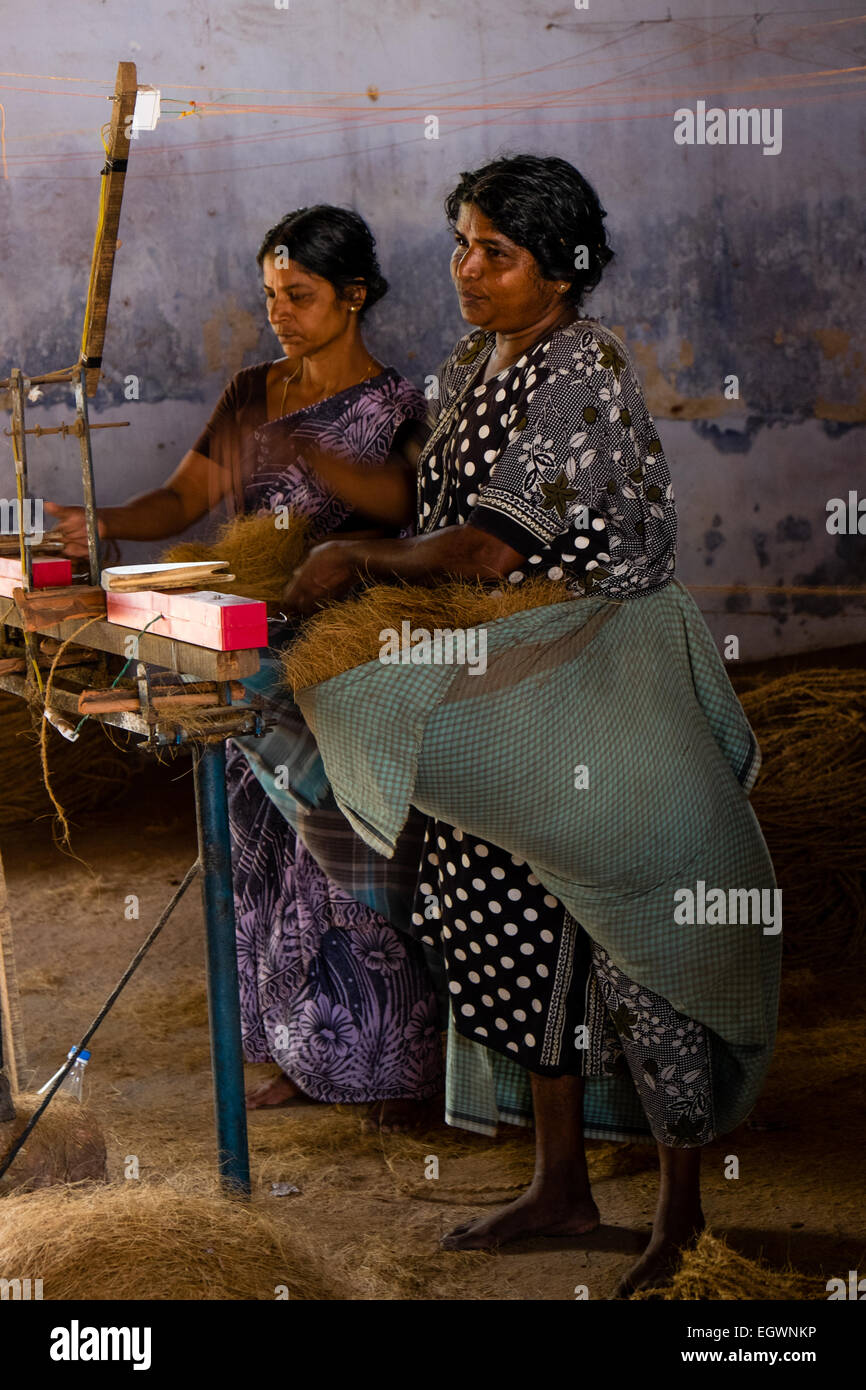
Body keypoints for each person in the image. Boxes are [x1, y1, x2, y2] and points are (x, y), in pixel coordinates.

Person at [280, 156, 779, 1292]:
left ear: (561, 269)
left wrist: (354, 558)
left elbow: (485, 548)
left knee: (638, 929)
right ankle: (559, 1183)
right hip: (502, 685)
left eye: (494, 252)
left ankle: (682, 1216)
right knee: (510, 923)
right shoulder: (467, 364)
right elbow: (436, 513)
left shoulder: (582, 369)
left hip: (598, 677)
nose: (465, 268)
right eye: (460, 242)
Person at [46, 205, 443, 1130]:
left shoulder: (400, 406)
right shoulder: (250, 392)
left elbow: (408, 500)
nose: (280, 313)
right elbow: (187, 496)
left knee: (344, 858)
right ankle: (306, 1058)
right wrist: (101, 524)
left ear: (354, 297)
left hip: (347, 657)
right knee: (263, 862)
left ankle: (387, 1063)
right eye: (270, 295)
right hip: (252, 652)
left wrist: (312, 455)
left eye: (299, 296)